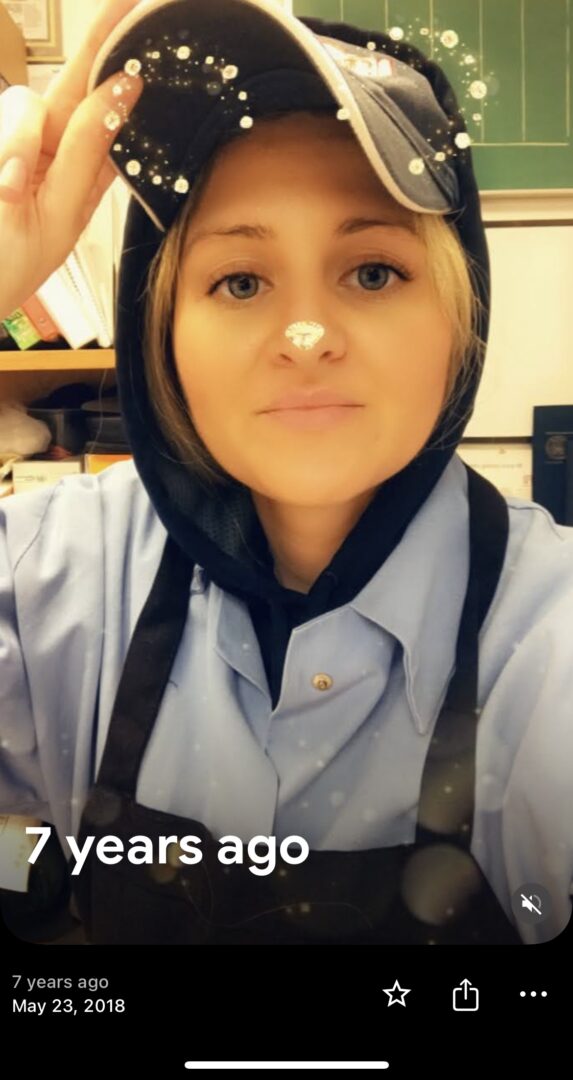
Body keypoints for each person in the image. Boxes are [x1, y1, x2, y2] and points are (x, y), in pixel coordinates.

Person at [0, 0, 571, 946]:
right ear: (161, 331)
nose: (305, 338)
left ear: (459, 318)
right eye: (240, 281)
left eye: (372, 272)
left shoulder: (547, 638)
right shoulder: (49, 580)